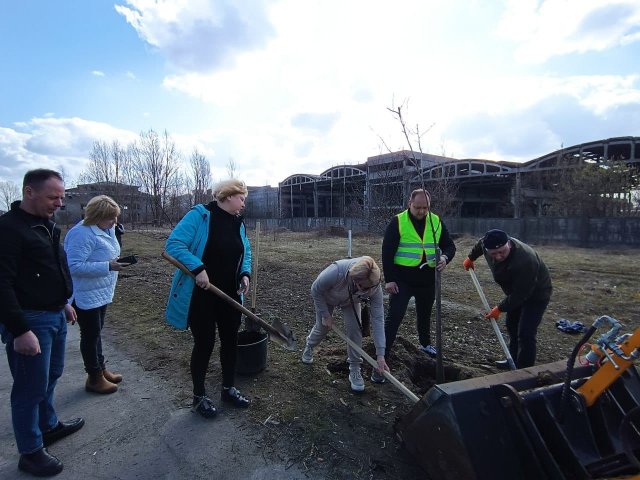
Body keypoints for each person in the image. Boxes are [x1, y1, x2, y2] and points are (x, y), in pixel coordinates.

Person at [0, 169, 84, 477]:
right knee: (28, 388)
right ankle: (30, 451)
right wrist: (20, 330)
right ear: (29, 192)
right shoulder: (9, 229)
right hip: (29, 319)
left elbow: (46, 269)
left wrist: (63, 303)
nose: (60, 203)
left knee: (51, 375)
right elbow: (3, 283)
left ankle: (48, 426)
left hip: (53, 314)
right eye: (53, 197)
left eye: (62, 196)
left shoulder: (46, 226)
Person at [165, 179, 252, 419]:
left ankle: (228, 388)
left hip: (230, 295)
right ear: (228, 196)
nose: (244, 204)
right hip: (201, 295)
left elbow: (246, 251)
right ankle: (199, 396)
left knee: (230, 342)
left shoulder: (238, 223)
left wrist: (245, 273)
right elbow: (174, 245)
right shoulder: (200, 216)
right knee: (204, 344)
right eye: (242, 198)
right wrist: (198, 268)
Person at [382, 188, 456, 358]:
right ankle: (383, 353)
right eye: (418, 207)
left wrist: (445, 257)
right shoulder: (398, 222)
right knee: (395, 316)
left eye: (425, 207)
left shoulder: (436, 221)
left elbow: (449, 245)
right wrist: (390, 280)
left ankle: (425, 344)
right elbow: (387, 252)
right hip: (402, 280)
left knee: (425, 315)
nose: (422, 211)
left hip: (428, 280)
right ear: (410, 204)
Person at [462, 229, 552, 369]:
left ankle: (524, 371)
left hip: (536, 294)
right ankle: (512, 361)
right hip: (514, 292)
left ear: (509, 244)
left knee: (526, 332)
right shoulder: (486, 244)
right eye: (493, 253)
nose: (498, 257)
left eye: (502, 252)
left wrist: (500, 308)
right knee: (512, 326)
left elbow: (521, 294)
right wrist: (470, 257)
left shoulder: (525, 260)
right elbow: (480, 245)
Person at [64, 195, 125, 394]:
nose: (114, 222)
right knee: (90, 335)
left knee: (97, 332)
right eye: (110, 218)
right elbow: (73, 266)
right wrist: (108, 266)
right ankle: (93, 377)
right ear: (97, 216)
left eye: (115, 217)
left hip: (101, 290)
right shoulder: (81, 234)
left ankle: (101, 368)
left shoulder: (106, 229)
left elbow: (110, 252)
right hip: (85, 293)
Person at [301, 256, 390, 391]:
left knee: (355, 331)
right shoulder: (336, 272)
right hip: (327, 297)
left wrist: (380, 355)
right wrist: (326, 315)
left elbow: (378, 319)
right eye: (363, 287)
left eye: (369, 288)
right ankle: (309, 345)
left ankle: (354, 368)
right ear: (354, 280)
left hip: (351, 301)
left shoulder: (374, 286)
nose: (367, 291)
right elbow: (315, 289)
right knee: (322, 328)